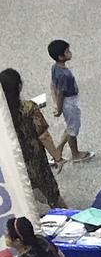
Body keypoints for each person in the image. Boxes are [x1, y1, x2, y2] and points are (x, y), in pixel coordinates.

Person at [0, 68, 66, 208]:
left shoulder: (2, 115)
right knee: (52, 194)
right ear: (19, 86)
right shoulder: (29, 109)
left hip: (14, 163)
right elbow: (44, 136)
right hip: (36, 162)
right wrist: (57, 157)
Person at [47, 39, 93, 164]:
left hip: (66, 102)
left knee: (70, 126)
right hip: (70, 102)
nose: (70, 53)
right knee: (73, 129)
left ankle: (58, 151)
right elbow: (61, 93)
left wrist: (55, 103)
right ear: (61, 57)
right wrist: (59, 108)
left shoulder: (55, 68)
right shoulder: (65, 74)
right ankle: (75, 153)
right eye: (67, 51)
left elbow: (53, 86)